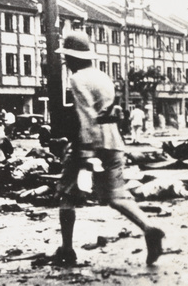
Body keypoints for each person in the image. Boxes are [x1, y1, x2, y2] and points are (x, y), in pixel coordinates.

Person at [53, 31, 165, 266]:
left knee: (67, 193)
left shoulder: (76, 79)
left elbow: (86, 116)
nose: (66, 62)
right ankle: (149, 227)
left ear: (72, 58)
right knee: (116, 195)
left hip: (90, 144)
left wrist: (85, 154)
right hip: (113, 142)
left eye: (67, 58)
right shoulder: (104, 77)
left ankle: (66, 248)